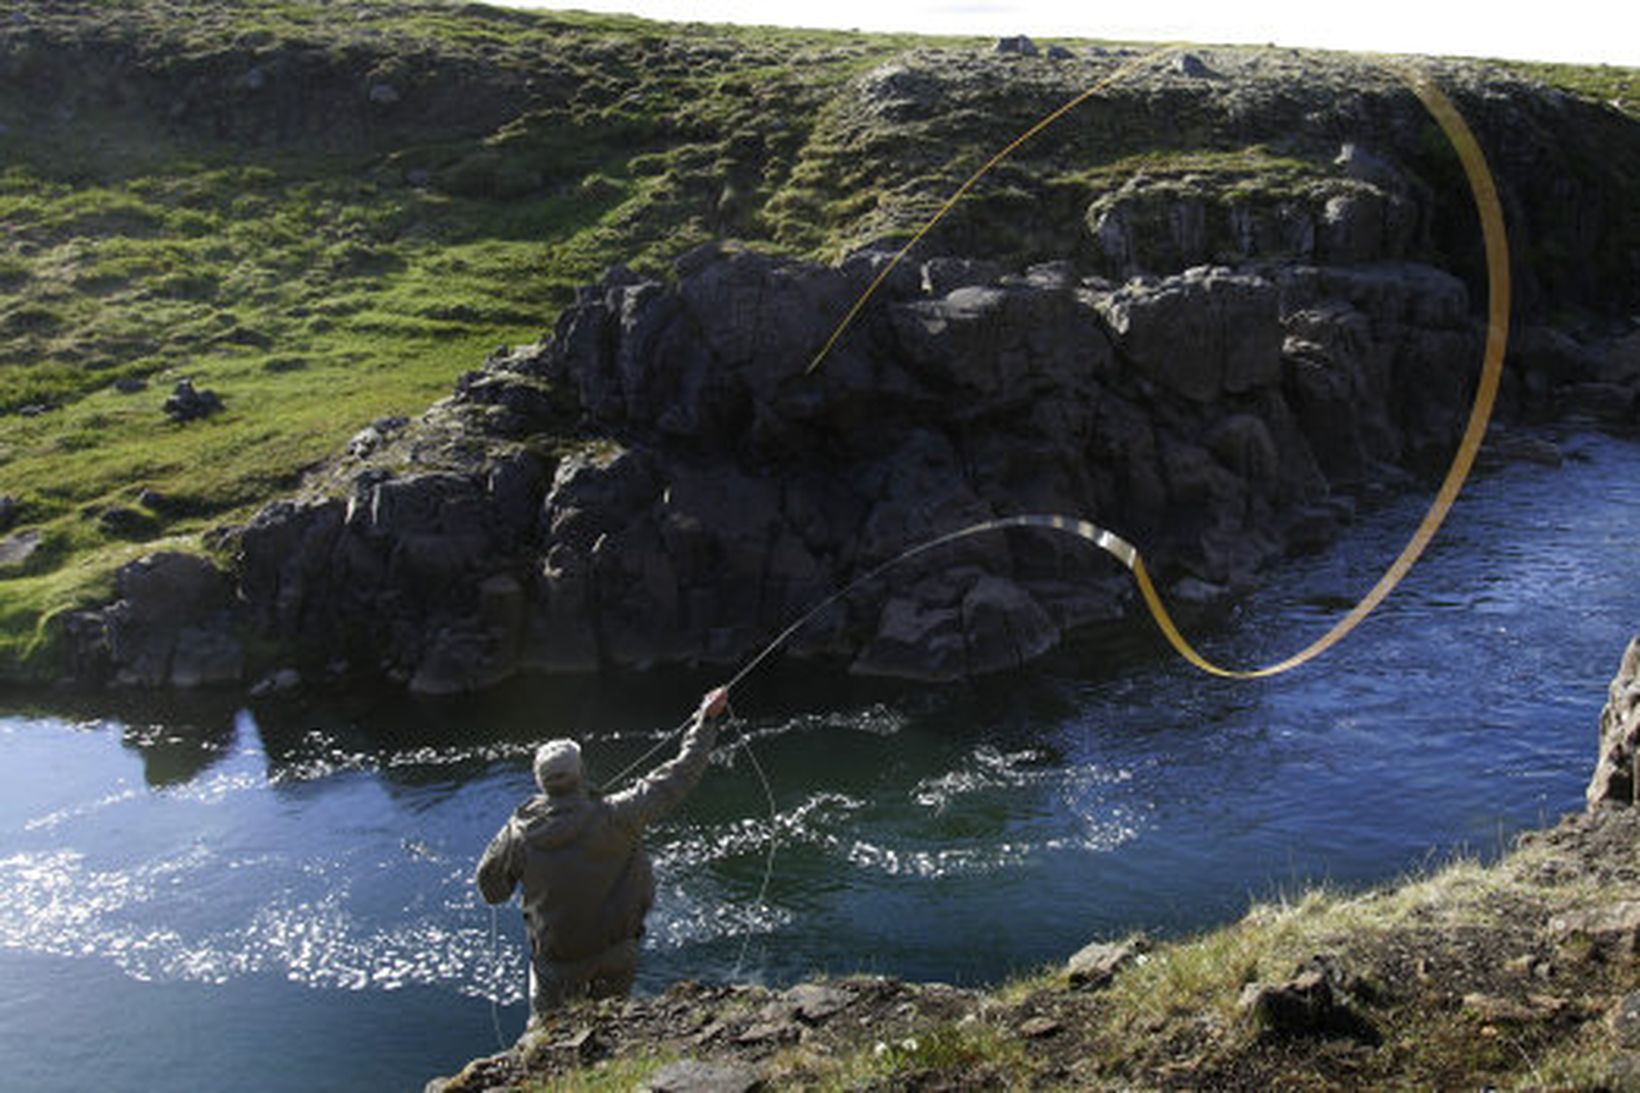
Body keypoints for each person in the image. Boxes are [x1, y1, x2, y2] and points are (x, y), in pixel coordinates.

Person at [476, 686, 730, 1018]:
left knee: (546, 1032)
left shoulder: (517, 834)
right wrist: (705, 720)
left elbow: (492, 891)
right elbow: (681, 774)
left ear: (540, 782)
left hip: (557, 961)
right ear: (581, 771)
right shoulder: (619, 813)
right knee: (612, 1021)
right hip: (617, 950)